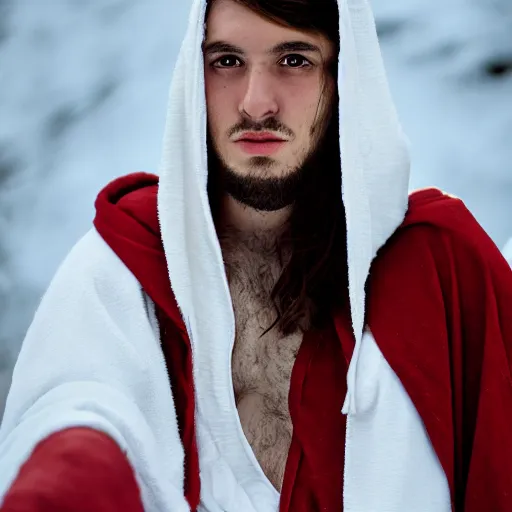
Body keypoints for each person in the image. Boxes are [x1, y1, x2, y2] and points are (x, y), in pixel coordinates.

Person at [0, 0, 511, 510]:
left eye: (294, 60)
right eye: (227, 61)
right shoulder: (122, 266)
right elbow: (76, 415)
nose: (256, 103)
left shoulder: (444, 268)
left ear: (343, 78)